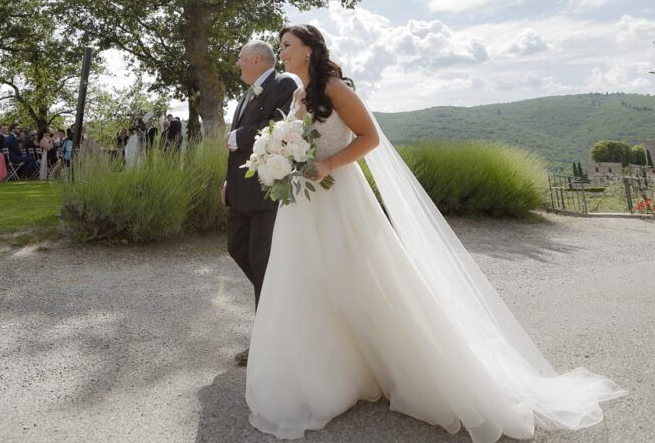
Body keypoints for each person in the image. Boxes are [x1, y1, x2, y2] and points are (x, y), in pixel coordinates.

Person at [244, 24, 626, 441]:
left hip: (338, 197)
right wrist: (278, 154)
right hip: (303, 202)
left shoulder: (336, 89)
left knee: (360, 281)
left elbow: (370, 137)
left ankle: (404, 367)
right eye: (280, 47)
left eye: (287, 46)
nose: (281, 53)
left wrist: (329, 165)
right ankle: (322, 377)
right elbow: (295, 140)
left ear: (309, 51)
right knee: (306, 284)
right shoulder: (299, 95)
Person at [223, 39, 298, 368]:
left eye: (241, 59)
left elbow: (281, 129)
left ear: (255, 60)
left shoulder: (283, 84)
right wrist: (229, 182)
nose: (238, 65)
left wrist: (238, 137)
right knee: (237, 248)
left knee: (262, 262)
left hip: (267, 192)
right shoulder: (247, 91)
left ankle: (268, 342)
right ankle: (280, 307)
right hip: (242, 191)